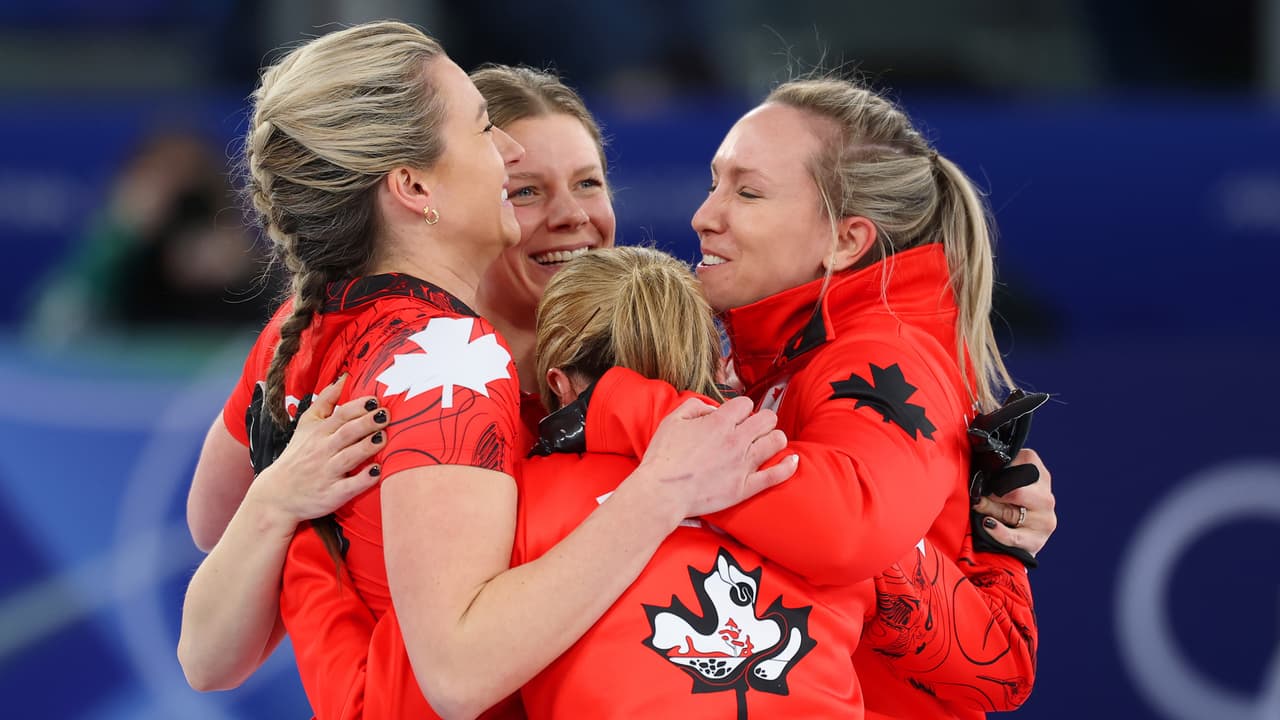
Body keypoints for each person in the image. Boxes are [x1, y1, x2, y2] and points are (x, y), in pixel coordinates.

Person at [177, 22, 794, 720]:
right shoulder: (455, 363)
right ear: (412, 186)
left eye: (589, 181)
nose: (503, 151)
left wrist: (276, 502)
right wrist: (660, 492)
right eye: (486, 136)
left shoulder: (322, 328)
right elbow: (459, 673)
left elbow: (209, 591)